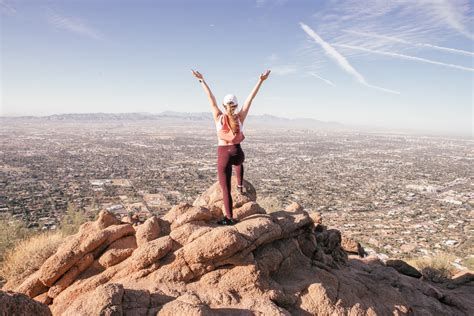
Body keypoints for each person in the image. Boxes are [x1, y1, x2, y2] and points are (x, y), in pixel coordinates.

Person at [191, 69, 271, 225]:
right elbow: (251, 98)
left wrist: (202, 80)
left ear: (224, 105)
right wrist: (261, 80)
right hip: (238, 153)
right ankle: (240, 185)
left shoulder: (218, 116)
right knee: (239, 162)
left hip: (224, 155)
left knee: (226, 188)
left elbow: (210, 98)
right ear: (236, 105)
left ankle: (229, 218)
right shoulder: (240, 117)